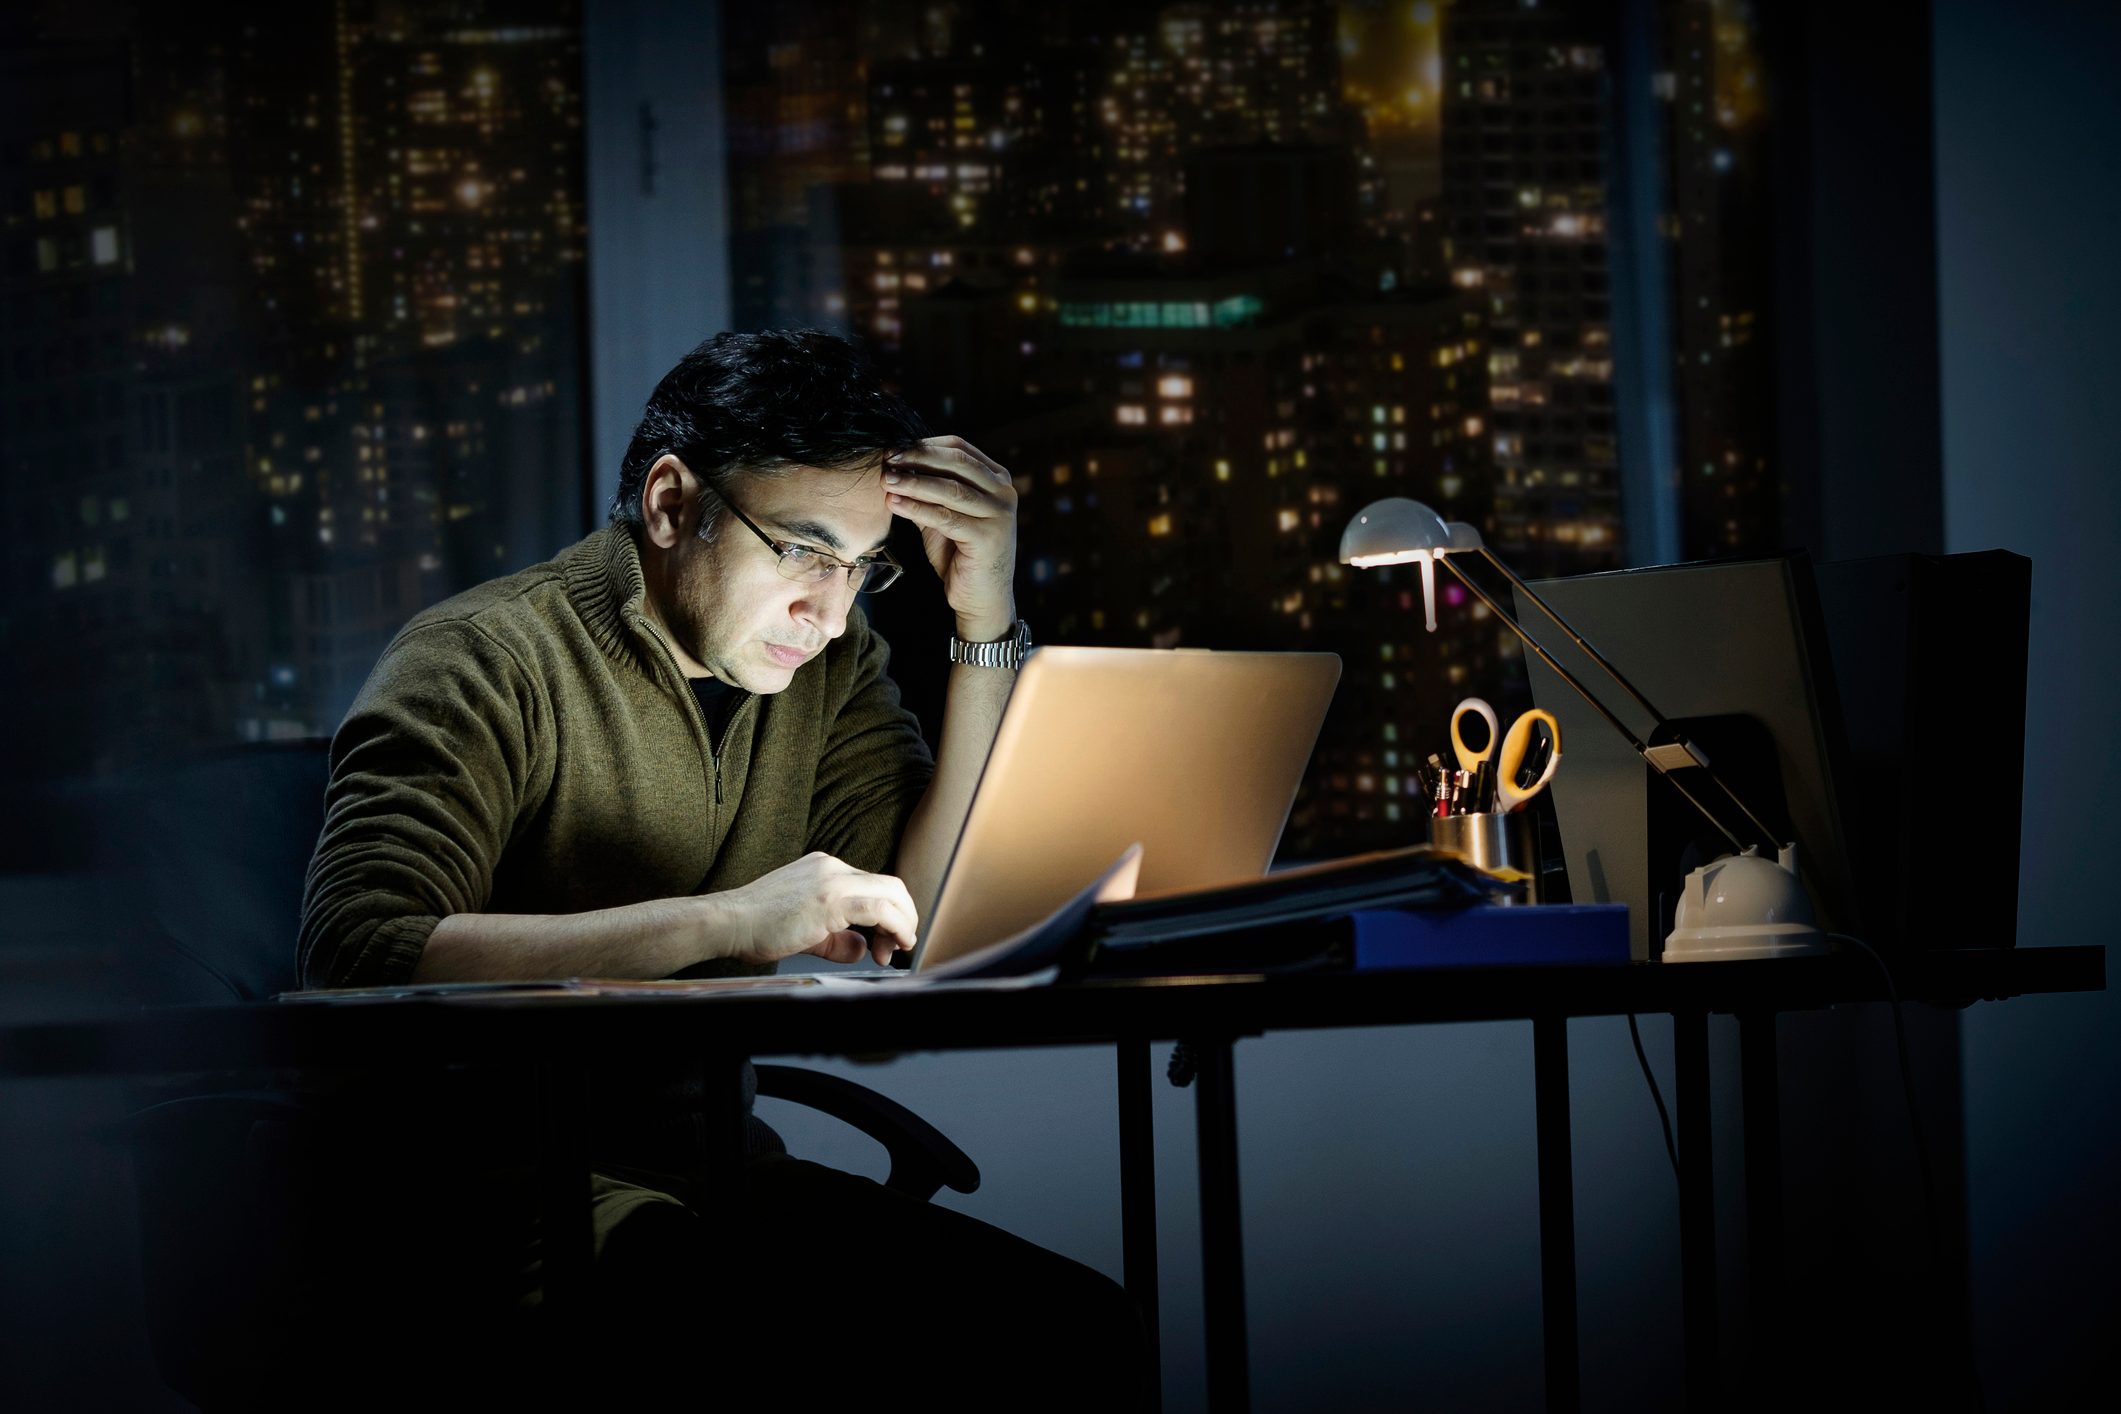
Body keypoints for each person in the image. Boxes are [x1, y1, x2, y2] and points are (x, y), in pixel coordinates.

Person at [293, 330, 1145, 1406]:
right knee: (738, 1338)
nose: (830, 613)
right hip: (477, 1193)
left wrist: (983, 619)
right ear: (669, 504)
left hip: (714, 1172)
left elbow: (912, 910)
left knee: (1077, 1329)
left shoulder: (831, 668)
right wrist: (731, 919)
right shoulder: (480, 658)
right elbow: (356, 960)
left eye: (859, 566)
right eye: (802, 550)